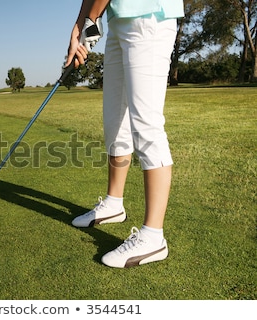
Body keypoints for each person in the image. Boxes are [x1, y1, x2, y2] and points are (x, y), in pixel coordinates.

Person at [66, 0, 185, 268]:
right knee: (114, 121)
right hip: (118, 21)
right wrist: (79, 27)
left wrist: (91, 21)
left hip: (148, 16)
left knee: (146, 125)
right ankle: (113, 203)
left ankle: (154, 237)